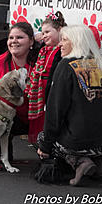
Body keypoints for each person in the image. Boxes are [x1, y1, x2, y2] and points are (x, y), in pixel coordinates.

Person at [37, 15, 102, 186]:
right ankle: (98, 161)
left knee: (43, 137)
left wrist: (45, 146)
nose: (60, 44)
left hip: (78, 143)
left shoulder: (66, 67)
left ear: (76, 42)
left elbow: (55, 112)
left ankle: (80, 161)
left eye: (64, 40)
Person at [0, 22, 40, 161]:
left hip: (36, 115)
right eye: (11, 38)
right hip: (5, 117)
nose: (14, 41)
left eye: (20, 38)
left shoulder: (40, 63)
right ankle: (3, 156)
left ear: (31, 41)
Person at [26, 11, 67, 143]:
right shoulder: (44, 50)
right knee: (40, 118)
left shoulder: (61, 50)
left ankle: (49, 145)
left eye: (47, 32)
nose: (44, 36)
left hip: (51, 87)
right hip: (41, 88)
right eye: (43, 33)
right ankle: (40, 144)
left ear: (60, 30)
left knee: (50, 116)